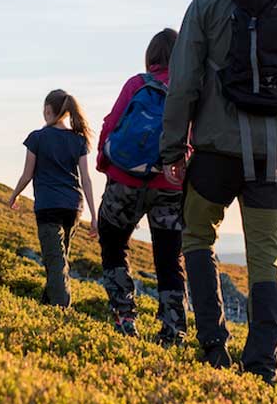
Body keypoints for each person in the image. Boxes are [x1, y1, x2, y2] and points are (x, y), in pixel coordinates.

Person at [158, 0, 277, 384]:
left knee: (197, 238)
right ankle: (263, 366)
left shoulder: (206, 8)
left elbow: (184, 83)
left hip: (215, 152)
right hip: (274, 158)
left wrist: (172, 149)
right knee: (266, 259)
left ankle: (213, 347)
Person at [95, 28, 188, 343]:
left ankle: (125, 318)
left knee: (114, 244)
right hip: (171, 185)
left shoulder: (137, 84)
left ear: (150, 57)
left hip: (125, 180)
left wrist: (104, 164)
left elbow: (112, 124)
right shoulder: (188, 89)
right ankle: (174, 330)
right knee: (169, 256)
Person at [7, 90, 98, 308]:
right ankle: (47, 304)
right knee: (59, 258)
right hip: (73, 207)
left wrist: (14, 194)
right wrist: (94, 215)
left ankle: (60, 309)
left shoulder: (37, 138)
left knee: (55, 260)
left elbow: (27, 174)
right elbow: (86, 178)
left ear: (48, 110)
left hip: (48, 206)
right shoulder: (79, 140)